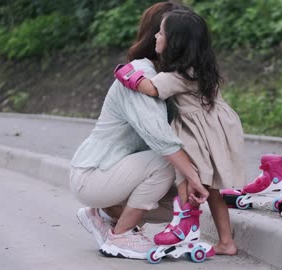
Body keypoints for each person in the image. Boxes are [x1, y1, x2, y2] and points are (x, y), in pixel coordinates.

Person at [69, 2, 209, 260]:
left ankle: (104, 216)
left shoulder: (168, 78)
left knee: (179, 202)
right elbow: (160, 139)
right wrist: (193, 175)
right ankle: (121, 234)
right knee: (168, 164)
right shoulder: (139, 74)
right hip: (94, 173)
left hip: (117, 170)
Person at [115, 9, 246, 255]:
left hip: (197, 133)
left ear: (174, 43)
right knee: (213, 190)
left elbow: (151, 88)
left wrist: (126, 74)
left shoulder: (178, 75)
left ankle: (184, 228)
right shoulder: (200, 69)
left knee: (187, 177)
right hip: (217, 128)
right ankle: (226, 242)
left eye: (161, 33)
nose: (155, 36)